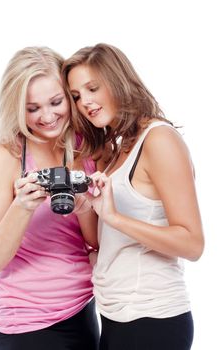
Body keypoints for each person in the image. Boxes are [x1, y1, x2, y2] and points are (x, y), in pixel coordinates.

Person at [62, 43, 204, 350]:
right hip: (116, 316)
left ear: (117, 80)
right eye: (76, 96)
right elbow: (110, 241)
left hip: (153, 319)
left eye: (92, 88)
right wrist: (88, 209)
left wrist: (114, 217)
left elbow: (192, 244)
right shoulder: (119, 149)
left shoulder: (159, 140)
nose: (85, 102)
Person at [0, 46, 100, 350]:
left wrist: (84, 202)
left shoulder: (86, 149)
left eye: (56, 102)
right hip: (26, 323)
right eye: (32, 109)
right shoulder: (3, 157)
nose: (47, 117)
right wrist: (22, 206)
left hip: (83, 310)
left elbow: (96, 242)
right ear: (16, 108)